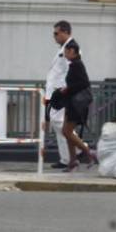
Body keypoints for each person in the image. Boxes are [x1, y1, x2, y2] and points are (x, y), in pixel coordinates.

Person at [45, 20, 82, 169]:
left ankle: (79, 149)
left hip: (63, 93)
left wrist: (66, 91)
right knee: (57, 123)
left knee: (60, 123)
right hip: (56, 93)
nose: (54, 36)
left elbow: (71, 70)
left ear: (66, 32)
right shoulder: (63, 48)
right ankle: (67, 157)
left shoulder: (72, 48)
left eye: (56, 33)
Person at [59, 40, 97, 172]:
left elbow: (84, 83)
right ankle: (73, 160)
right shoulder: (74, 65)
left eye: (67, 51)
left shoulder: (77, 65)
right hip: (72, 102)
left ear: (73, 52)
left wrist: (67, 89)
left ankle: (88, 152)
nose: (65, 53)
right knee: (67, 132)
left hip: (76, 104)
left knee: (67, 131)